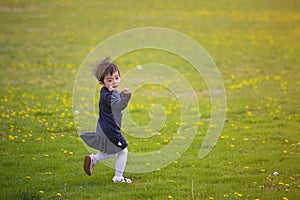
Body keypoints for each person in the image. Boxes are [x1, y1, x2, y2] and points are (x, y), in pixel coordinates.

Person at [80, 57, 132, 183]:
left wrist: (119, 95)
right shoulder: (110, 95)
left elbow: (114, 101)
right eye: (110, 80)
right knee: (123, 150)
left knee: (113, 152)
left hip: (104, 128)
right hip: (110, 130)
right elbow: (118, 105)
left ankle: (94, 159)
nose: (114, 82)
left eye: (116, 78)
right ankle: (118, 177)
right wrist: (126, 96)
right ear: (102, 83)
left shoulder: (106, 92)